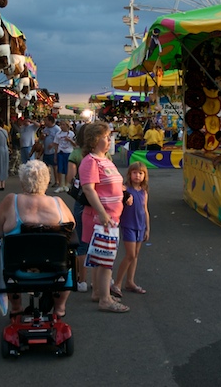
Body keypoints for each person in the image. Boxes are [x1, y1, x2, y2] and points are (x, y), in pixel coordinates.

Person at [0, 160, 75, 317]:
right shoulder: (58, 203)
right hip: (54, 271)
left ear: (22, 182)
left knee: (3, 252)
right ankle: (59, 308)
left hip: (18, 271)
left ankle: (16, 308)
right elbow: (71, 227)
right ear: (47, 181)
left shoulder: (11, 201)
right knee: (68, 257)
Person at [79, 121, 128, 313]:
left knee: (101, 257)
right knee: (106, 258)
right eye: (106, 137)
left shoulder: (105, 160)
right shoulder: (90, 161)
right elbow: (88, 190)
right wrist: (102, 213)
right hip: (101, 218)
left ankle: (98, 292)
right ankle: (105, 299)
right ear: (94, 140)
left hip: (110, 216)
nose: (109, 140)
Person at [112, 162, 150, 298]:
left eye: (140, 173)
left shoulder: (143, 192)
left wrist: (147, 228)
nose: (137, 175)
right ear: (130, 174)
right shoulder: (125, 190)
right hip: (128, 225)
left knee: (135, 256)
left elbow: (145, 211)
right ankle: (117, 283)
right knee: (130, 255)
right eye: (135, 172)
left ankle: (130, 281)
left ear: (144, 175)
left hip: (140, 226)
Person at [66, 124, 89, 292]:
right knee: (99, 240)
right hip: (101, 202)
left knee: (81, 240)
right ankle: (101, 278)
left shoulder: (76, 154)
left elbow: (70, 179)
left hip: (82, 200)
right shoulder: (103, 155)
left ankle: (82, 279)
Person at [53, 120, 76, 193]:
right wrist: (55, 155)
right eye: (61, 125)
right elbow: (56, 144)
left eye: (63, 125)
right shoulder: (58, 134)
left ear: (67, 125)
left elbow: (75, 144)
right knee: (60, 169)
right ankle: (60, 185)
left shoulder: (71, 134)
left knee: (67, 169)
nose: (61, 126)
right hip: (60, 152)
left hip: (68, 153)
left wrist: (69, 140)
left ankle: (66, 185)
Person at [42, 115, 61, 187]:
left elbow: (59, 139)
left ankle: (57, 181)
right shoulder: (46, 129)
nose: (45, 122)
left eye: (46, 120)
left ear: (50, 121)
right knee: (46, 166)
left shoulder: (57, 129)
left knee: (54, 166)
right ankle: (48, 180)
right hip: (46, 150)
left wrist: (53, 144)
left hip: (53, 151)